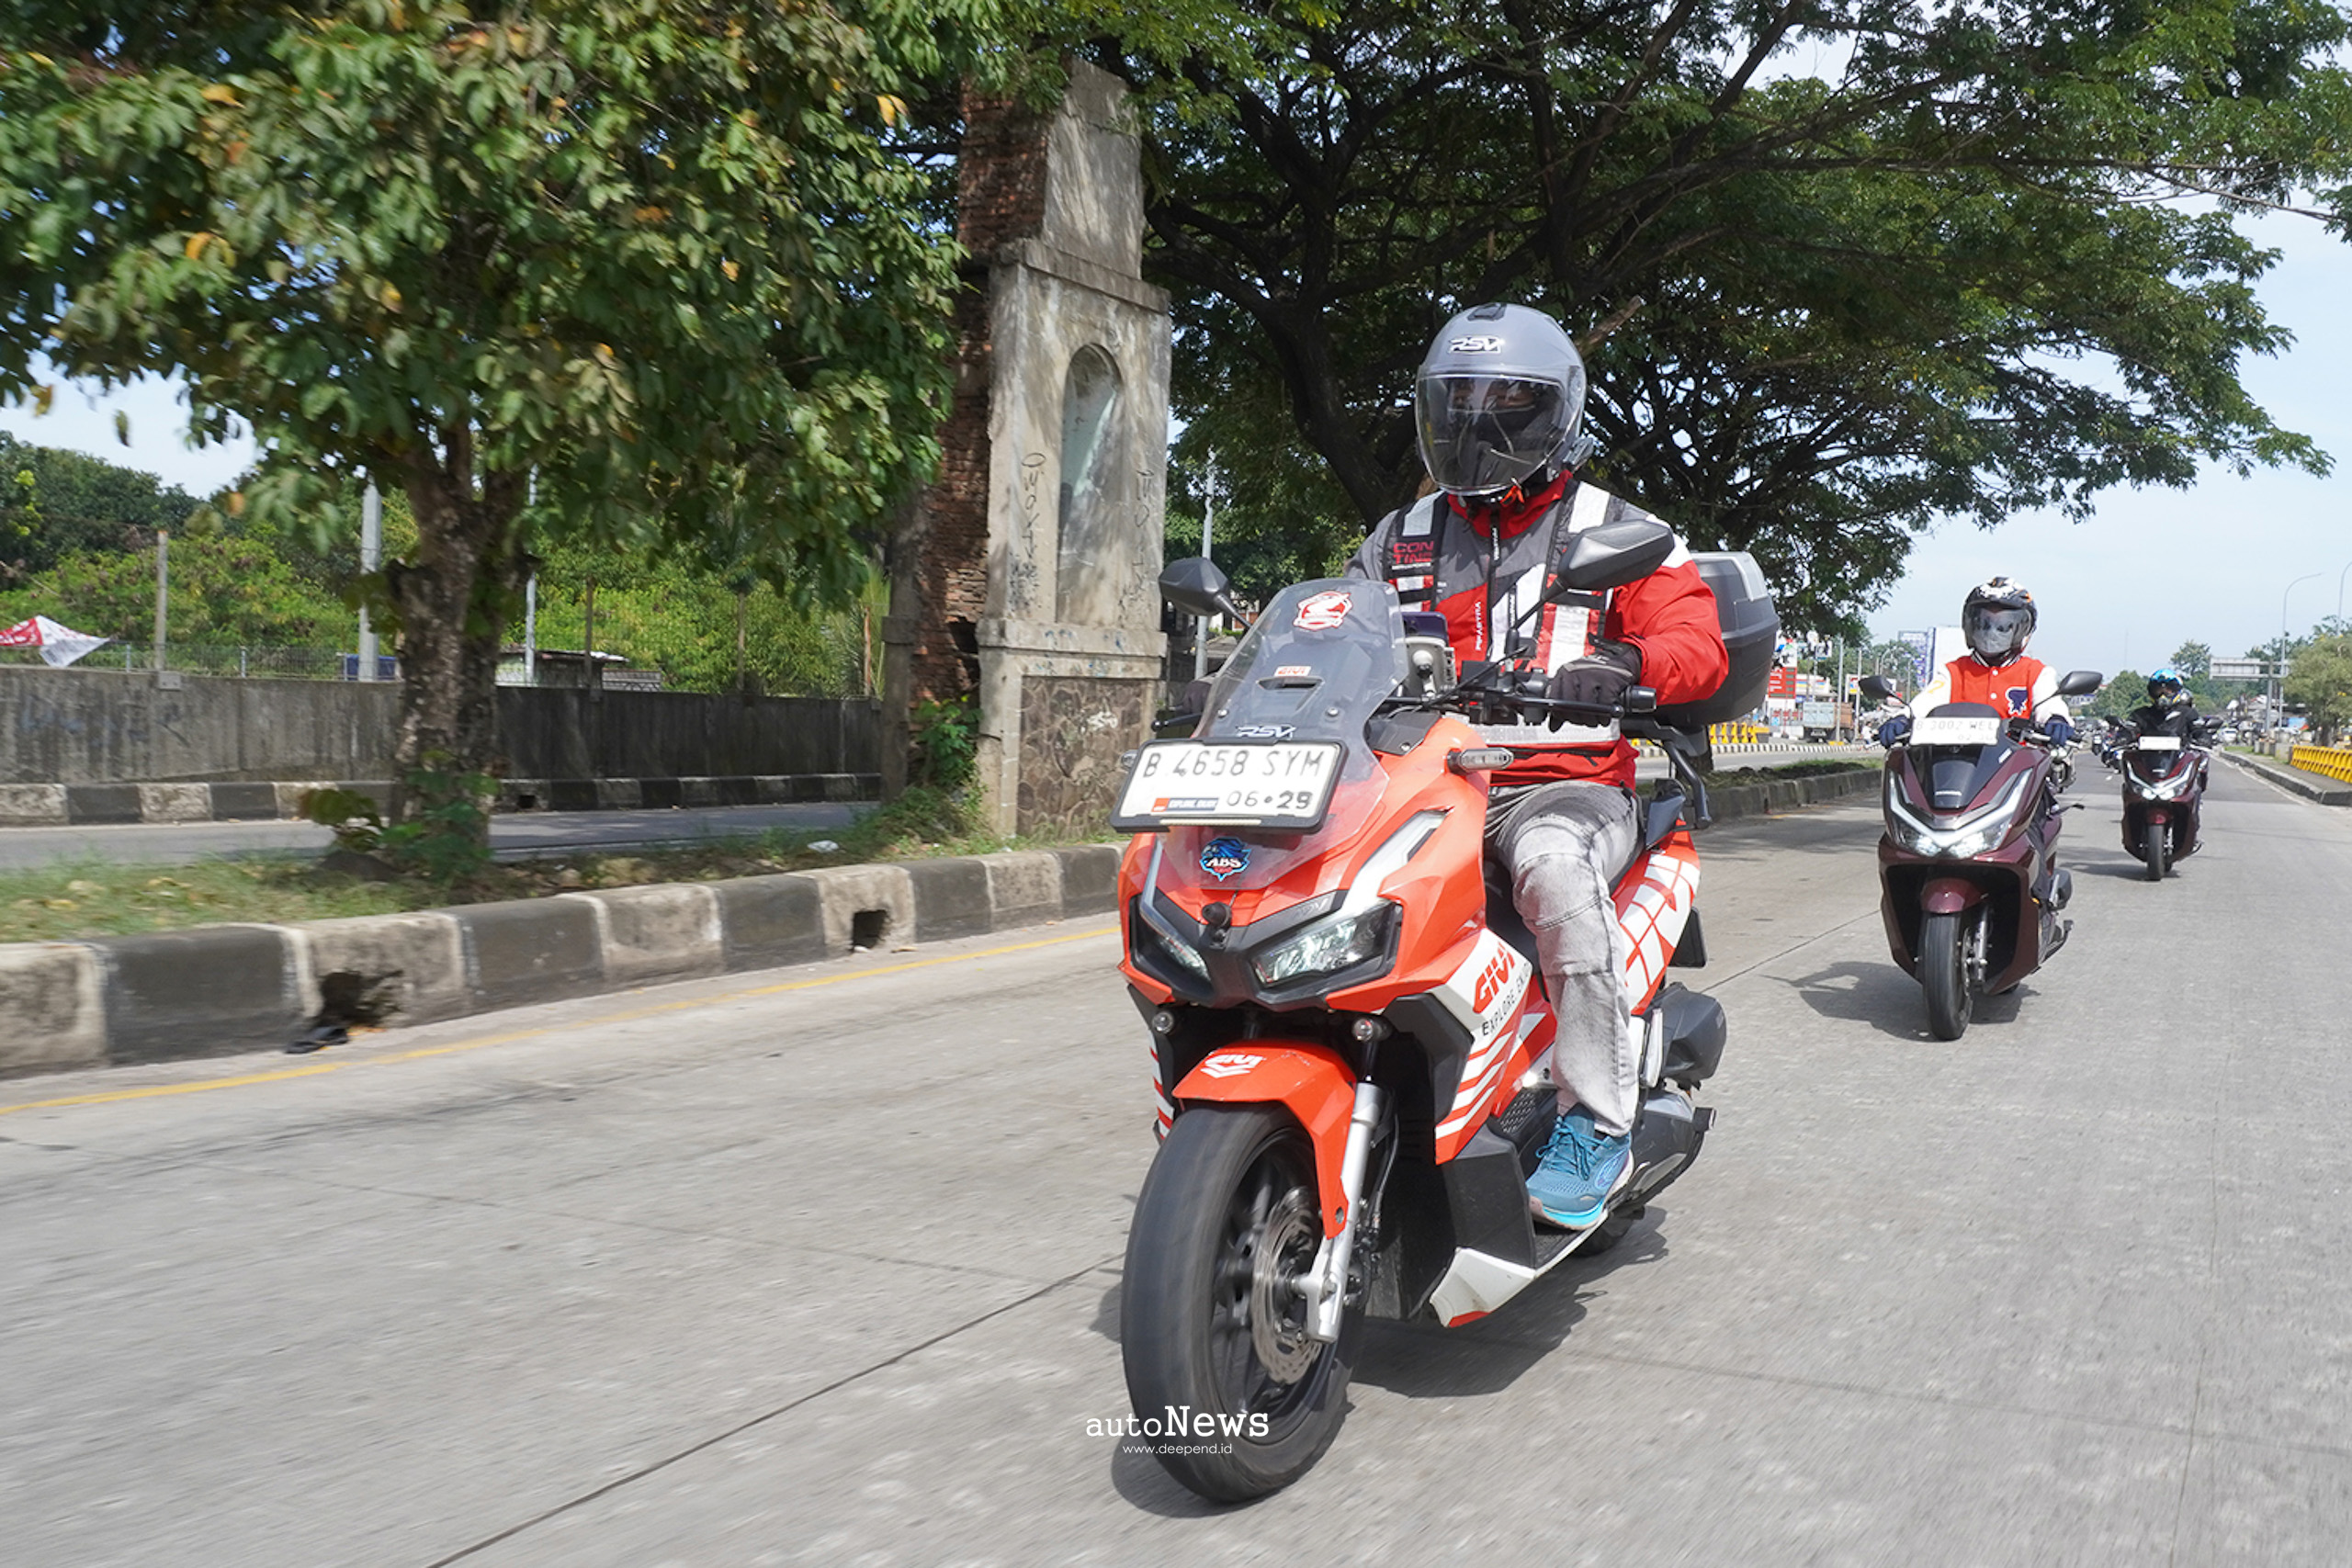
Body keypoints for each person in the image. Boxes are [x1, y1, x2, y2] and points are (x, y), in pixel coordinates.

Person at [1344, 302, 1728, 1230]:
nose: (1475, 425)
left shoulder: (1620, 528)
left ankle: (1595, 1120)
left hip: (1560, 783)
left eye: (1502, 403)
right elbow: (1337, 628)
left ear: (1555, 413)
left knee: (1554, 873)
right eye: (1456, 404)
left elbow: (1699, 644)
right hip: (1420, 782)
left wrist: (1628, 662)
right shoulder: (1400, 535)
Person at [1875, 578, 2076, 750]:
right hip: (1957, 766)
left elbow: (2049, 703)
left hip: (2018, 768)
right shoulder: (1953, 672)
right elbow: (1926, 701)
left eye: (2003, 626)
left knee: (2048, 782)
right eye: (1984, 624)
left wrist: (2056, 718)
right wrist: (1903, 718)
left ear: (2023, 629)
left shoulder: (2036, 673)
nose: (1992, 633)